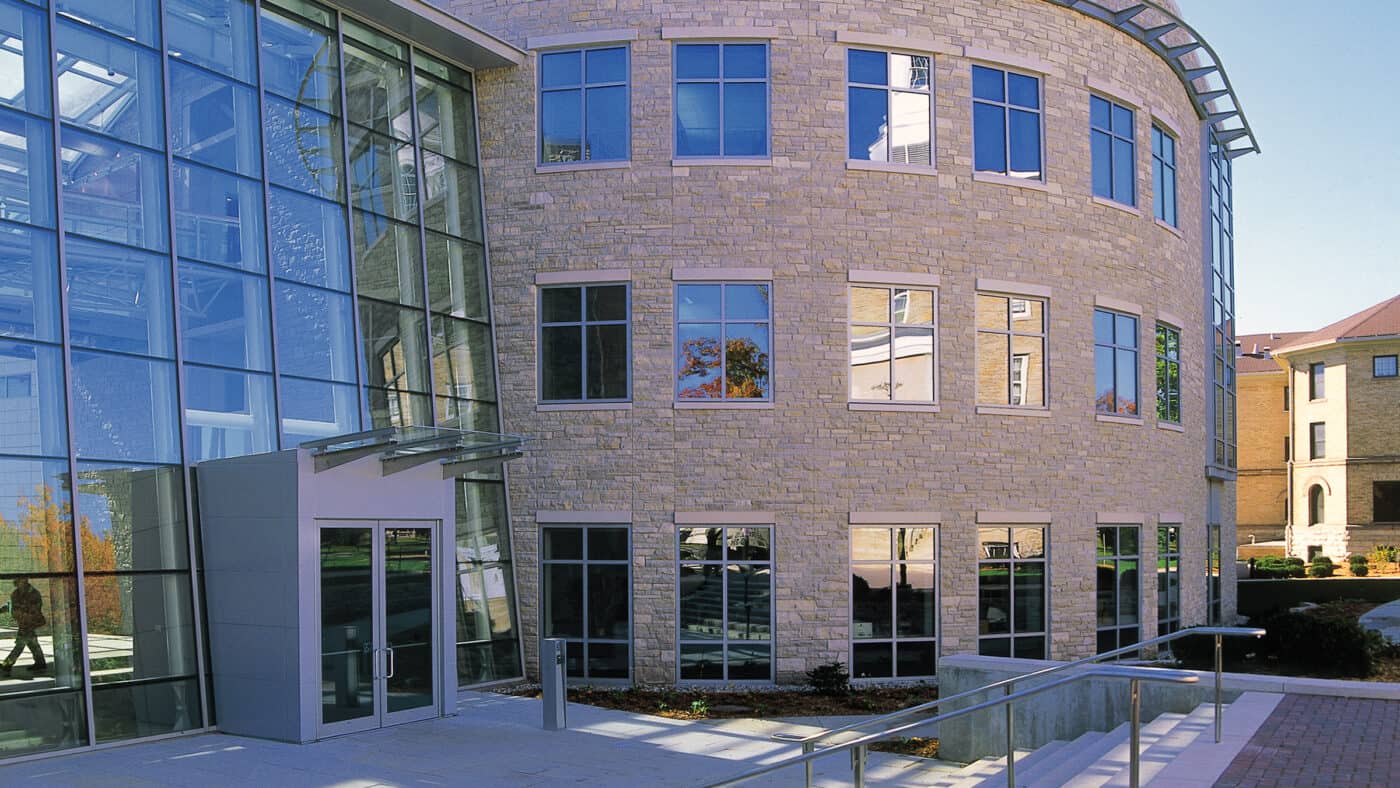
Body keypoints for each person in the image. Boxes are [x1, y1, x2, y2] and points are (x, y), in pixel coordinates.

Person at [1, 577, 47, 678]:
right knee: (32, 643)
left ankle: (7, 664)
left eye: (19, 581)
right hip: (22, 622)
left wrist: (21, 612)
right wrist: (4, 609)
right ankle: (40, 663)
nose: (16, 582)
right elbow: (12, 605)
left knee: (20, 644)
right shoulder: (16, 593)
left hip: (30, 623)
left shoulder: (33, 593)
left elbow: (34, 609)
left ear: (24, 581)